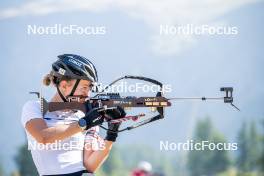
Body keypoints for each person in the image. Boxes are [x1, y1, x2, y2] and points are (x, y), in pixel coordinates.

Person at [21, 54, 125, 176]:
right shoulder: (35, 107)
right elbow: (44, 137)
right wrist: (85, 123)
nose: (88, 94)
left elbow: (90, 165)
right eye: (84, 88)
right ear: (64, 86)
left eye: (90, 88)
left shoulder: (85, 114)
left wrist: (112, 134)